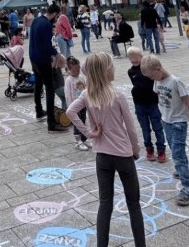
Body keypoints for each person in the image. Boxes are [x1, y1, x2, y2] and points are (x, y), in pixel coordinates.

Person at [65, 52, 146, 247]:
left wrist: (89, 133)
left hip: (102, 156)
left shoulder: (87, 94)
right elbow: (130, 127)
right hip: (123, 155)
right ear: (105, 71)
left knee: (105, 204)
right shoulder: (117, 95)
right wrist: (135, 149)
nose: (114, 68)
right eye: (111, 65)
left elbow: (70, 111)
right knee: (134, 203)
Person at [141, 54, 189, 206]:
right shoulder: (157, 81)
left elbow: (188, 101)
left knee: (177, 154)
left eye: (152, 75)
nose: (151, 79)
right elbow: (160, 99)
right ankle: (186, 169)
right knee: (176, 150)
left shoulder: (175, 82)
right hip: (166, 121)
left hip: (179, 123)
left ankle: (187, 189)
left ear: (158, 69)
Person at [30, 4, 67, 132]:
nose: (56, 19)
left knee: (38, 85)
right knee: (50, 89)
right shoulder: (46, 25)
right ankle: (51, 123)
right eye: (57, 16)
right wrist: (57, 55)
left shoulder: (36, 20)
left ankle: (39, 111)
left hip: (34, 59)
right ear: (55, 13)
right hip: (43, 60)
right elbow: (47, 45)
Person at [126, 47, 166, 163]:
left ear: (141, 56)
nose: (134, 60)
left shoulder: (149, 68)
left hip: (153, 103)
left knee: (158, 127)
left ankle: (161, 150)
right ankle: (149, 149)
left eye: (136, 57)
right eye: (131, 58)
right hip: (139, 104)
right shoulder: (131, 71)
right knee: (145, 129)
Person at [64, 56, 90, 151]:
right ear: (69, 70)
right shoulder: (69, 80)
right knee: (76, 123)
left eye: (78, 69)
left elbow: (86, 90)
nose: (77, 71)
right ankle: (78, 141)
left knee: (83, 121)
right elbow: (68, 94)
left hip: (83, 105)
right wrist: (70, 105)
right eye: (75, 70)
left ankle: (84, 139)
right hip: (74, 106)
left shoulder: (81, 78)